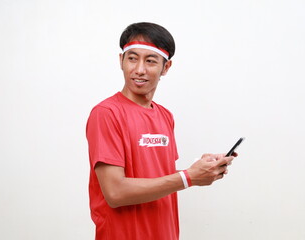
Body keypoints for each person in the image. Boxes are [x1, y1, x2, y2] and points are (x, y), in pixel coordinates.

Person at [86, 22, 237, 240]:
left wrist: (200, 169)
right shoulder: (106, 113)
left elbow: (158, 177)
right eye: (132, 58)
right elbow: (115, 192)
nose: (139, 69)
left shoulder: (165, 115)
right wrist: (189, 178)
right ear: (121, 61)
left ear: (166, 68)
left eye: (150, 61)